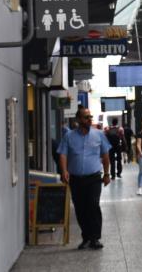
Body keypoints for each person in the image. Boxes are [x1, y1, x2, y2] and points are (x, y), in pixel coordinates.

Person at [57, 106, 111, 250]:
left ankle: (95, 238)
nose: (89, 119)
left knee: (93, 205)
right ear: (79, 119)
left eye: (90, 117)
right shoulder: (69, 136)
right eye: (86, 117)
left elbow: (105, 156)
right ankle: (86, 237)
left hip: (94, 178)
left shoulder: (99, 134)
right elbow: (62, 154)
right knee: (80, 208)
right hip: (76, 179)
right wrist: (64, 171)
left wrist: (107, 174)